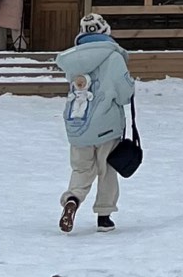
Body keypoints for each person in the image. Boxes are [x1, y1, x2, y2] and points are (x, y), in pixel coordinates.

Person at [54, 13, 138, 233]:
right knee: (107, 169)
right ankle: (104, 216)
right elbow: (124, 94)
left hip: (78, 123)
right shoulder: (113, 58)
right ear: (106, 32)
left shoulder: (74, 59)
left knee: (81, 168)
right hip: (106, 125)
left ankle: (73, 198)